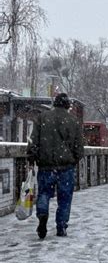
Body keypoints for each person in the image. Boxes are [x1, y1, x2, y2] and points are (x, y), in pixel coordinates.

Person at [26, 93, 84, 239]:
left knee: (44, 193)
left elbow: (33, 141)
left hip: (46, 165)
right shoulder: (73, 121)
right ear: (67, 105)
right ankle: (61, 226)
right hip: (66, 167)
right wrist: (74, 159)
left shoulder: (42, 118)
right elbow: (79, 147)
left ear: (55, 103)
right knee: (65, 198)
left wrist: (32, 157)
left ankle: (43, 214)